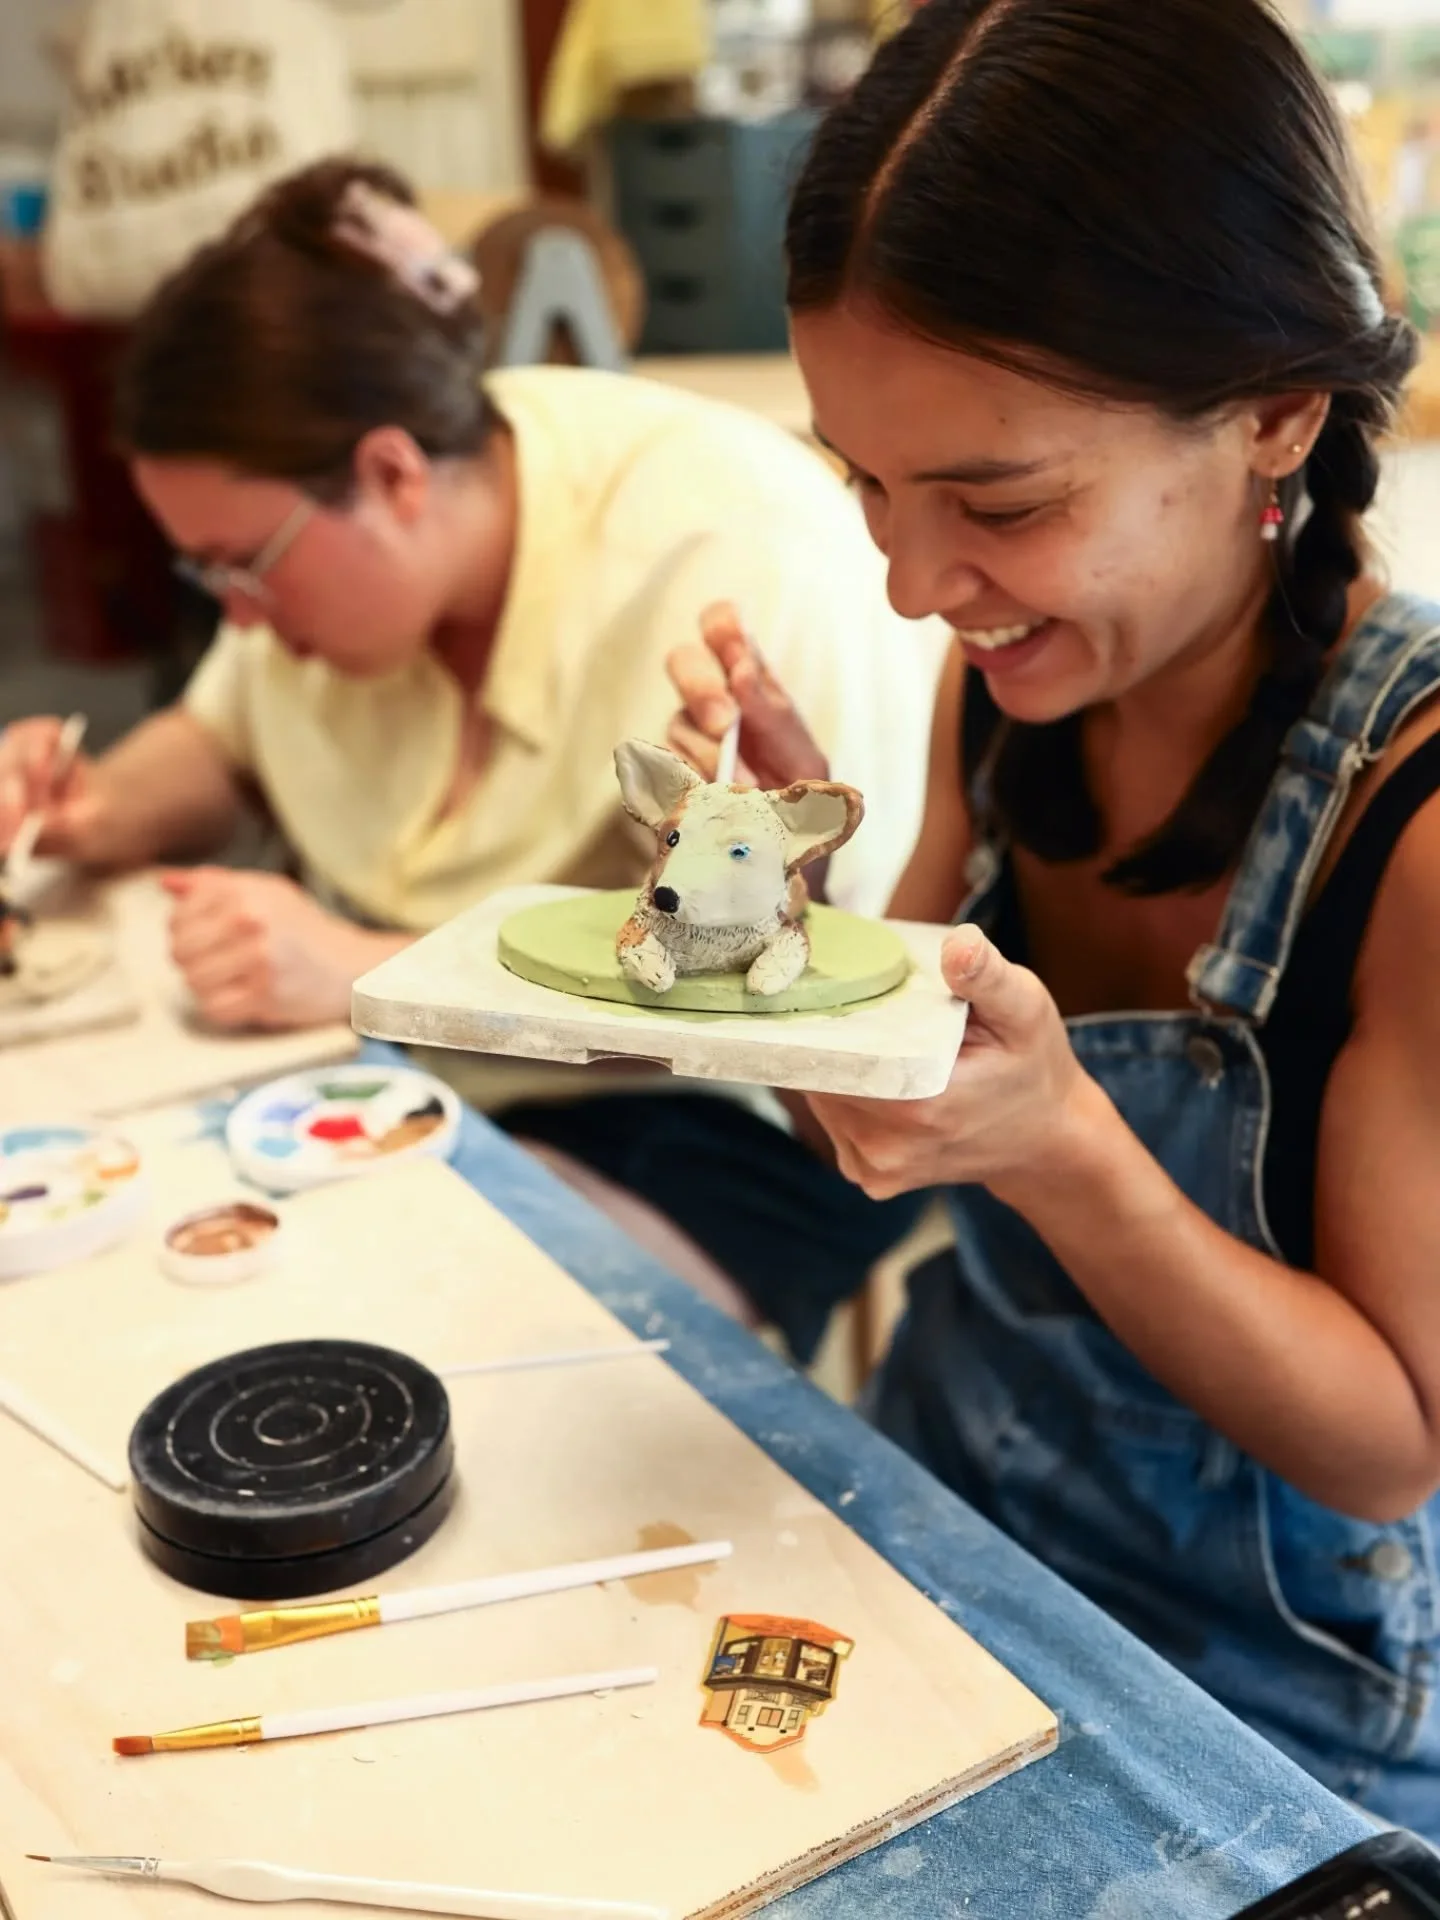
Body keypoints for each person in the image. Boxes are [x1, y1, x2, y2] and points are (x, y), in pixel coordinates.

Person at [667, 0, 1440, 1834]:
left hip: (1283, 1685)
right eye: (863, 479)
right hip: (958, 1520)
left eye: (995, 501)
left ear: (1273, 411)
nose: (915, 582)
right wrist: (779, 922)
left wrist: (1072, 1149)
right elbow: (876, 1137)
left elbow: (1390, 1438)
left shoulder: (1411, 823)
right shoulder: (1013, 695)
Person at [0, 159, 945, 1322]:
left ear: (391, 475)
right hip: (417, 1069)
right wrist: (92, 804)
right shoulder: (333, 542)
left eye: (241, 566)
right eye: (203, 572)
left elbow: (783, 987)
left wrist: (370, 964)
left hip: (726, 1105)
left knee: (439, 1346)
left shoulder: (729, 563)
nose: (234, 611)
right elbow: (221, 733)